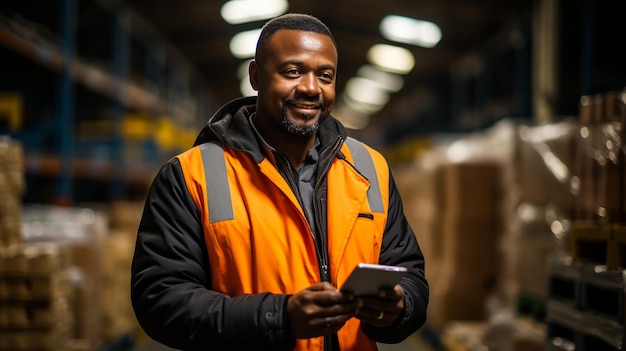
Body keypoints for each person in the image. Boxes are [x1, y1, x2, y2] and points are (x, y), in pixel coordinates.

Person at [131, 13, 428, 351]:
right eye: (293, 72)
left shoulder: (370, 168)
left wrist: (399, 307)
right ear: (256, 76)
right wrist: (280, 317)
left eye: (325, 76)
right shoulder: (191, 174)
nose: (310, 88)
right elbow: (161, 300)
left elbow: (410, 273)